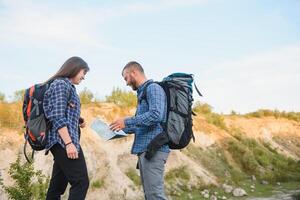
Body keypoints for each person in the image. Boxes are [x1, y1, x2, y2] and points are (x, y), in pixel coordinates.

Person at [110, 61, 169, 200]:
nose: (126, 83)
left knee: (155, 196)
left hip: (154, 149)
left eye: (126, 78)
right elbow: (143, 123)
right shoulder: (143, 93)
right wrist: (119, 130)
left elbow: (156, 115)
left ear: (134, 73)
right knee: (150, 196)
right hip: (146, 150)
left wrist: (126, 121)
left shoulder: (153, 88)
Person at [43, 56, 90, 200]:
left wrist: (78, 120)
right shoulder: (60, 84)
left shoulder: (68, 87)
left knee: (56, 187)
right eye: (83, 72)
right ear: (74, 69)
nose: (84, 77)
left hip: (64, 141)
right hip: (63, 142)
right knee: (81, 182)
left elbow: (63, 111)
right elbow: (57, 116)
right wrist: (69, 144)